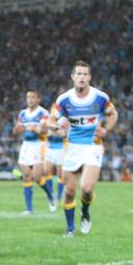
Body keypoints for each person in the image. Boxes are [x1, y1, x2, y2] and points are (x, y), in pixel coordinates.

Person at [48, 61, 118, 236]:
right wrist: (57, 127)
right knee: (70, 191)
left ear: (90, 77)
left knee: (86, 188)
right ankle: (70, 229)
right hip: (72, 148)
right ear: (72, 77)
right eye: (78, 74)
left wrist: (107, 128)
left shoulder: (100, 97)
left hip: (93, 147)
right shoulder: (64, 100)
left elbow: (113, 114)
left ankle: (85, 212)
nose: (82, 77)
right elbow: (50, 120)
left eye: (85, 74)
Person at [13, 90, 56, 214]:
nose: (30, 99)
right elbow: (17, 129)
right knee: (26, 176)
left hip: (39, 145)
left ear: (38, 99)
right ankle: (29, 209)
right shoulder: (22, 113)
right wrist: (17, 129)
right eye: (28, 97)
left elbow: (42, 130)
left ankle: (51, 196)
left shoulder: (43, 112)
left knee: (37, 177)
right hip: (26, 145)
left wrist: (27, 127)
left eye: (32, 97)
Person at [45, 104, 67, 202]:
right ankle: (50, 194)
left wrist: (55, 130)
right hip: (50, 149)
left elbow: (64, 134)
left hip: (60, 149)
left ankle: (59, 195)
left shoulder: (63, 120)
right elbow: (45, 134)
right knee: (46, 172)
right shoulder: (47, 120)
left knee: (60, 174)